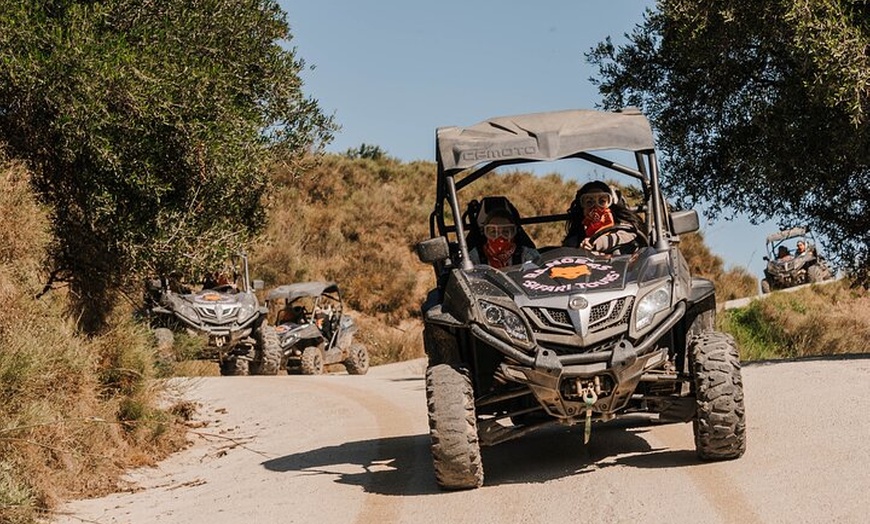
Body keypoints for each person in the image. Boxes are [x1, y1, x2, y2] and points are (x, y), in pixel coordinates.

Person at [562, 181, 646, 255]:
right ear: (582, 208)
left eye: (602, 201)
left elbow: (630, 234)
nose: (595, 207)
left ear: (611, 204)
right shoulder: (574, 240)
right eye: (589, 202)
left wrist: (597, 243)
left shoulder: (625, 229)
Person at [467, 196, 539, 269]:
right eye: (493, 232)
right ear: (485, 233)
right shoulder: (473, 258)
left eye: (505, 232)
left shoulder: (526, 255)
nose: (499, 237)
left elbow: (539, 273)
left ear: (514, 233)